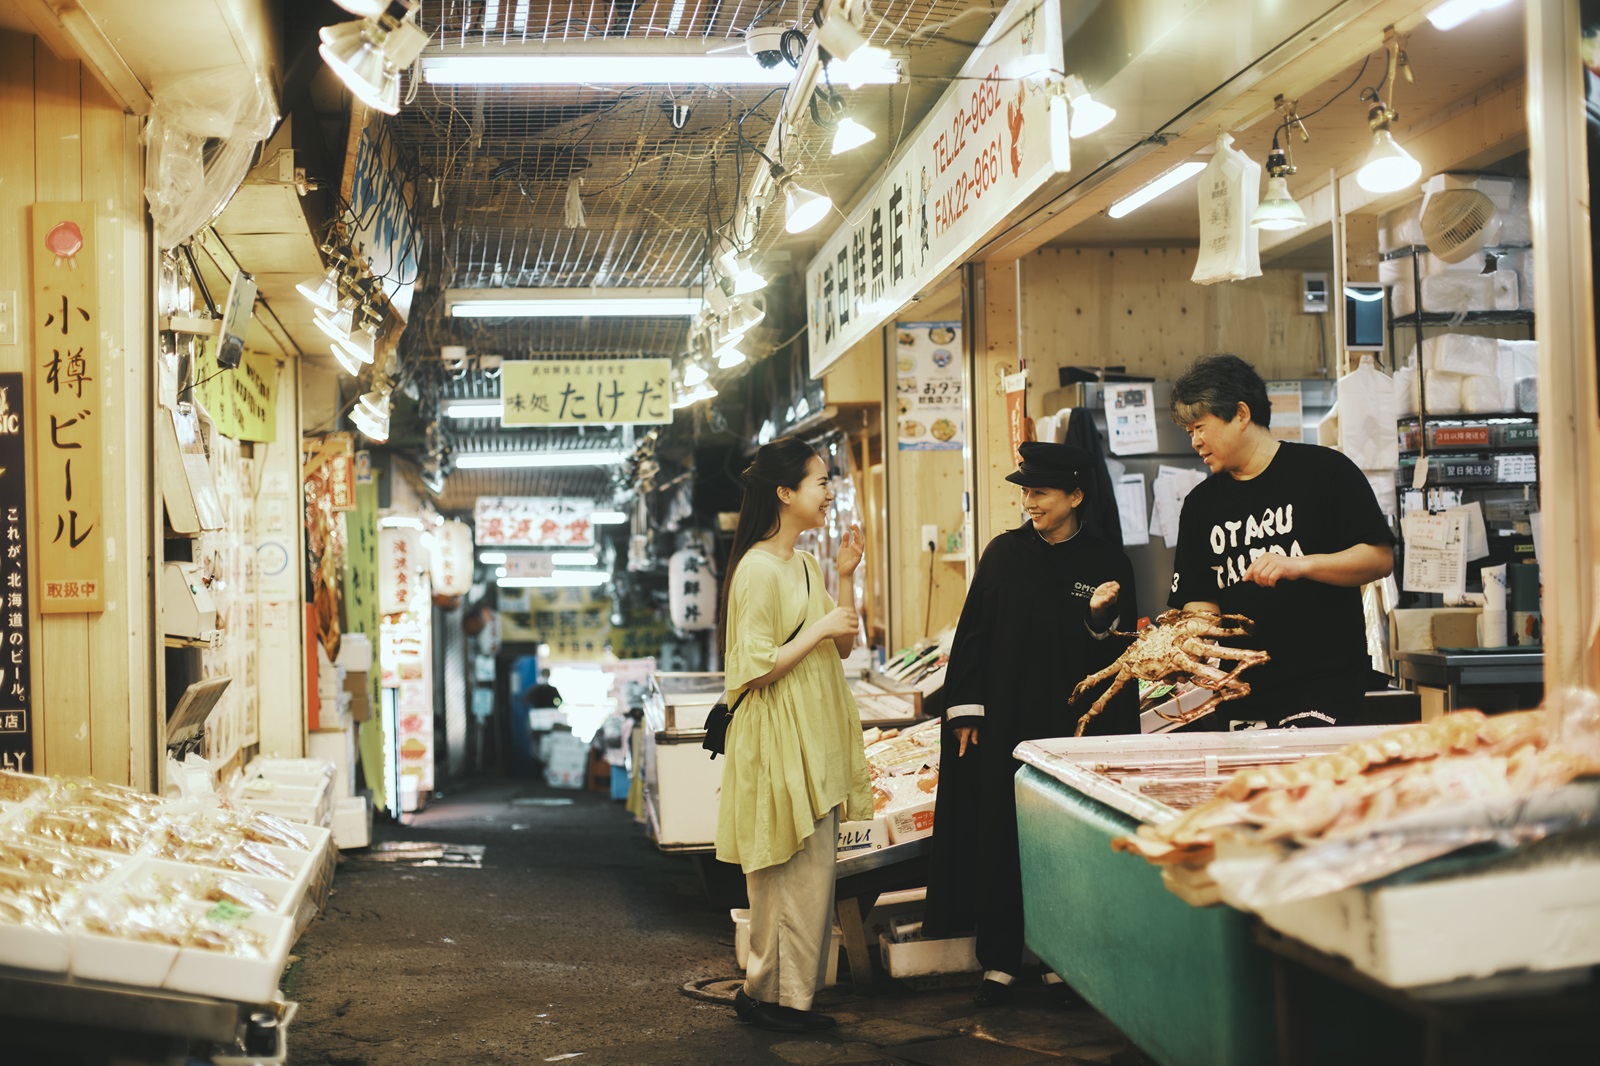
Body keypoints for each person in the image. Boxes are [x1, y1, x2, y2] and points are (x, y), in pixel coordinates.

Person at [923, 441, 1138, 1008]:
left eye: (1040, 493)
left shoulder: (1108, 561)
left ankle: (1061, 960)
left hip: (1075, 730)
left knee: (1066, 838)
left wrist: (1099, 618)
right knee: (1002, 834)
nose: (1030, 503)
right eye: (1026, 493)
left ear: (1076, 496)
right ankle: (999, 961)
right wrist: (965, 710)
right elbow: (973, 634)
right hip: (1005, 721)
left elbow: (1121, 657)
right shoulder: (1004, 553)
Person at [715, 437, 871, 1034]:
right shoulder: (756, 570)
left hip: (811, 733)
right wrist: (820, 628)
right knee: (782, 869)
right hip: (776, 735)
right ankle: (768, 996)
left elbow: (844, 641)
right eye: (821, 481)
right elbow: (753, 667)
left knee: (810, 876)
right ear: (785, 493)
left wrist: (846, 577)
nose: (830, 492)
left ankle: (790, 997)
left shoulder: (805, 564)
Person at [1167, 353, 1394, 729]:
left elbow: (1379, 558)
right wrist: (1192, 636)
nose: (1195, 441)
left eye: (1200, 427)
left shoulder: (1325, 472)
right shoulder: (1199, 505)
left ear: (1241, 414)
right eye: (1189, 432)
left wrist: (1300, 565)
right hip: (1240, 692)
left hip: (1322, 687)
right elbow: (1199, 595)